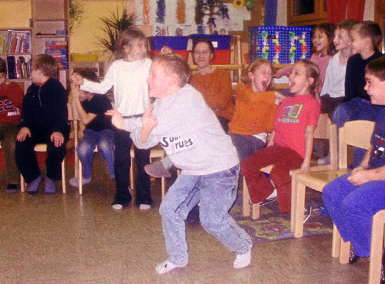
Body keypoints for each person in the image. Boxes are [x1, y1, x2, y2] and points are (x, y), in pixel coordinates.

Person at [108, 53, 252, 274]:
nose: (148, 79)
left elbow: (152, 127)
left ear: (172, 79)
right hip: (193, 169)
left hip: (220, 169)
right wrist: (143, 127)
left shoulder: (188, 99)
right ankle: (178, 257)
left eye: (154, 75)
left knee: (212, 220)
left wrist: (125, 123)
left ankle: (243, 246)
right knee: (169, 210)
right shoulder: (159, 104)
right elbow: (143, 141)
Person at [322, 55, 385, 283]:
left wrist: (368, 176)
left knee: (354, 203)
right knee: (332, 192)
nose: (366, 88)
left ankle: (376, 256)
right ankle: (362, 244)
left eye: (370, 82)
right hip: (378, 177)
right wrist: (362, 168)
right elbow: (375, 147)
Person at [71, 28, 155, 210]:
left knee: (142, 158)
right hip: (121, 120)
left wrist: (167, 58)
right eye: (139, 45)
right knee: (121, 159)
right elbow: (102, 88)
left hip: (142, 119)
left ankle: (145, 197)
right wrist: (82, 82)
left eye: (144, 45)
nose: (143, 48)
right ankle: (122, 196)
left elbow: (160, 78)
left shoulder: (148, 63)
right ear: (126, 47)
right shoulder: (116, 67)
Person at [144, 36, 234, 177]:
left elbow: (221, 102)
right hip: (194, 119)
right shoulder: (190, 78)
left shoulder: (223, 75)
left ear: (211, 55)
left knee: (196, 130)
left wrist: (194, 103)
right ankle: (177, 167)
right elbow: (177, 97)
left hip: (221, 118)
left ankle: (167, 163)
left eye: (205, 52)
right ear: (192, 56)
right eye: (197, 52)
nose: (201, 56)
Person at [241, 59, 320, 213]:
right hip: (278, 149)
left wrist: (306, 161)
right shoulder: (286, 101)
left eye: (296, 73)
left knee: (278, 174)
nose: (290, 76)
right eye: (291, 72)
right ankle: (269, 193)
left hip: (296, 153)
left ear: (309, 81)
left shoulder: (312, 103)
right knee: (247, 165)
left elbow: (309, 132)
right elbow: (277, 128)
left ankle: (295, 208)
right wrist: (269, 147)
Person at [15, 54, 69, 194]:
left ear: (40, 72)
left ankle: (51, 177)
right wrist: (24, 126)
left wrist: (57, 130)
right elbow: (26, 111)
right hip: (36, 129)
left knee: (56, 147)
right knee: (21, 144)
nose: (30, 73)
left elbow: (61, 113)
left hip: (55, 128)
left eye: (32, 70)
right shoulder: (32, 89)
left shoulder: (56, 88)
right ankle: (34, 177)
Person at [332, 21, 383, 167]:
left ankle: (361, 165)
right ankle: (340, 158)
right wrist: (347, 105)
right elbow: (349, 91)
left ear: (367, 41)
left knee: (362, 120)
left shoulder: (379, 62)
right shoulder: (353, 60)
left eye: (353, 39)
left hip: (374, 103)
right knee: (340, 112)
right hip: (356, 101)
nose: (350, 42)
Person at [229, 58, 283, 161]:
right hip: (237, 135)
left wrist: (275, 104)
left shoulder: (270, 99)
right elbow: (251, 99)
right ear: (251, 75)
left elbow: (269, 127)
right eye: (263, 73)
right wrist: (274, 95)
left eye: (270, 74)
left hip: (257, 140)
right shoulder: (242, 88)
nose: (267, 76)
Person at [68, 70, 115, 188]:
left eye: (77, 89)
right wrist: (75, 100)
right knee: (82, 149)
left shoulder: (100, 99)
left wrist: (76, 100)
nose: (74, 92)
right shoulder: (84, 99)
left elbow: (85, 120)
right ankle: (86, 176)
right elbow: (77, 117)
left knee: (104, 146)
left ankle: (117, 177)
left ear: (88, 89)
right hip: (91, 132)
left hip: (107, 131)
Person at [275, 23, 336, 93]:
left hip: (319, 94)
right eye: (314, 37)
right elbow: (303, 67)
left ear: (330, 38)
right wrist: (283, 71)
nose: (315, 40)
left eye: (320, 37)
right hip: (308, 91)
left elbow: (321, 81)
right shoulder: (315, 56)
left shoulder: (332, 60)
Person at [320, 19, 358, 115]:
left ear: (351, 39)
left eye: (340, 37)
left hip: (346, 98)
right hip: (331, 97)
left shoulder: (357, 60)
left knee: (339, 111)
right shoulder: (333, 60)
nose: (335, 40)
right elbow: (327, 85)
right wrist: (321, 99)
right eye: (335, 36)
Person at [0, 58, 24, 193]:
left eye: (1, 76)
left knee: (11, 143)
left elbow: (20, 103)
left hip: (12, 123)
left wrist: (6, 88)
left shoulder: (13, 87)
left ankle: (13, 180)